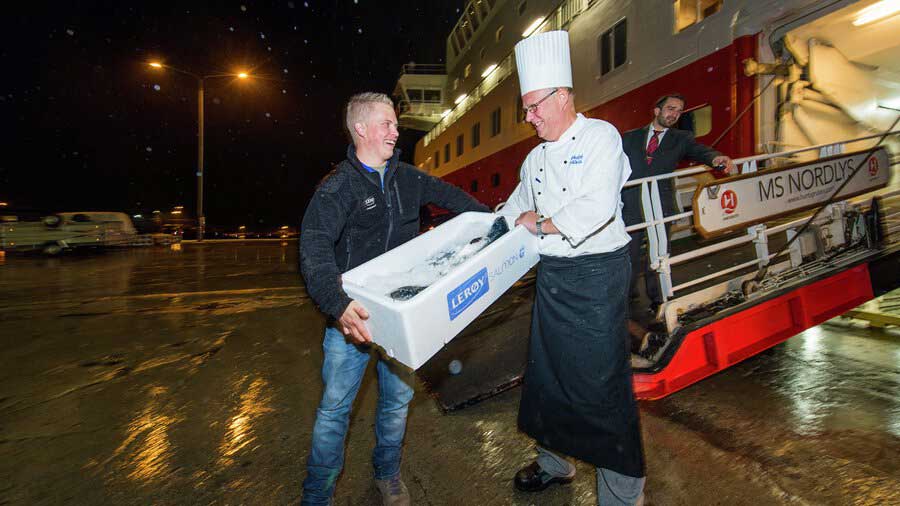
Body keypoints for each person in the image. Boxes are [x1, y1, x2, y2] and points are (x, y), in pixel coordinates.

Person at [298, 92, 489, 505]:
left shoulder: (407, 176)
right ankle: (317, 497)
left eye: (395, 123)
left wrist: (496, 226)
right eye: (386, 123)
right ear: (361, 129)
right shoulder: (338, 187)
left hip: (402, 316)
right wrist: (337, 304)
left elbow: (458, 201)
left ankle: (387, 474)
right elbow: (313, 247)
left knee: (397, 403)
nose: (395, 130)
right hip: (353, 319)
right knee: (334, 416)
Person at [498, 31, 646, 505]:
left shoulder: (601, 136)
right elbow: (512, 210)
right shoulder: (534, 158)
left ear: (562, 96)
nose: (529, 117)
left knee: (599, 385)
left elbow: (596, 208)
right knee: (548, 375)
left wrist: (538, 223)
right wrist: (476, 235)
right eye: (526, 109)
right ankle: (553, 464)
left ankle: (622, 493)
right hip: (555, 279)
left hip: (598, 275)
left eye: (535, 106)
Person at [620, 94, 734, 360]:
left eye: (679, 111)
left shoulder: (680, 139)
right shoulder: (630, 138)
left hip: (661, 206)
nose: (674, 114)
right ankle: (626, 303)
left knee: (659, 256)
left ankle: (659, 300)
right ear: (656, 110)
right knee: (630, 256)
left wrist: (717, 158)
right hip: (633, 206)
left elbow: (701, 151)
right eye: (670, 109)